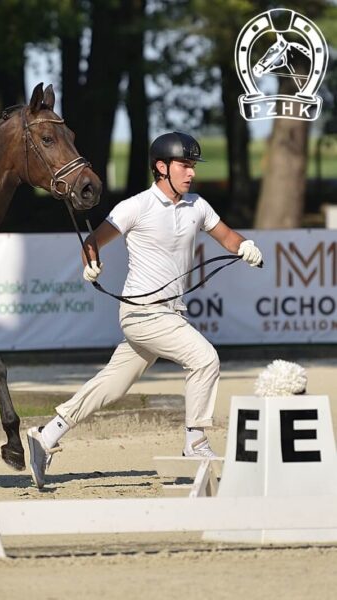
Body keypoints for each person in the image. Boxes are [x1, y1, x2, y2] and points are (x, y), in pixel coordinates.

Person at [27, 131, 263, 489]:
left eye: (192, 166)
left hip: (171, 313)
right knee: (205, 360)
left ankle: (47, 435)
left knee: (113, 384)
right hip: (143, 313)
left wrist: (246, 246)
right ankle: (196, 442)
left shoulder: (197, 205)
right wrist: (91, 263)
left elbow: (227, 237)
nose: (191, 173)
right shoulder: (136, 206)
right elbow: (93, 241)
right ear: (161, 167)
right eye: (185, 166)